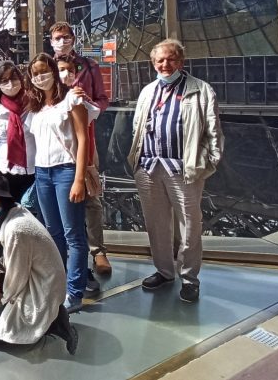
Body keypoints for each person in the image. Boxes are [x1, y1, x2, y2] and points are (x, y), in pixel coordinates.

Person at [127, 39, 222, 303]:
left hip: (184, 168)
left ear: (181, 62)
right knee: (156, 224)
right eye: (160, 60)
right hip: (149, 167)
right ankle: (164, 271)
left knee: (190, 225)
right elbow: (137, 126)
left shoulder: (200, 90)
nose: (165, 65)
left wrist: (209, 162)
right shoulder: (148, 91)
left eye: (170, 59)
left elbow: (214, 131)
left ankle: (190, 278)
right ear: (153, 63)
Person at [0, 174, 77, 354]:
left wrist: (6, 301)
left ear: (2, 199)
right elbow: (4, 258)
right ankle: (53, 317)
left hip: (42, 289)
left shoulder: (17, 228)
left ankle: (53, 322)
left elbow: (17, 278)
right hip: (39, 281)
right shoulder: (16, 212)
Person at [26, 53, 97, 313]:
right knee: (52, 231)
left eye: (44, 71)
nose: (40, 77)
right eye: (35, 74)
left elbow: (82, 140)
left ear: (54, 71)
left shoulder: (71, 99)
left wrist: (79, 178)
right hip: (42, 173)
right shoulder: (34, 108)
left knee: (73, 234)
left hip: (66, 172)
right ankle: (58, 282)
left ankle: (75, 291)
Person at [51, 21, 113, 276]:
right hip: (54, 143)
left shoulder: (89, 66)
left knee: (91, 197)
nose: (61, 41)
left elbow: (103, 99)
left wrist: (89, 104)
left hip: (84, 139)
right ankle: (61, 254)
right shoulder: (45, 66)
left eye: (65, 37)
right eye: (57, 37)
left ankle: (97, 250)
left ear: (73, 38)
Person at [0, 62, 37, 206]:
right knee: (8, 216)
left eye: (13, 78)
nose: (10, 84)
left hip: (33, 172)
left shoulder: (34, 105)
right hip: (5, 173)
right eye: (4, 81)